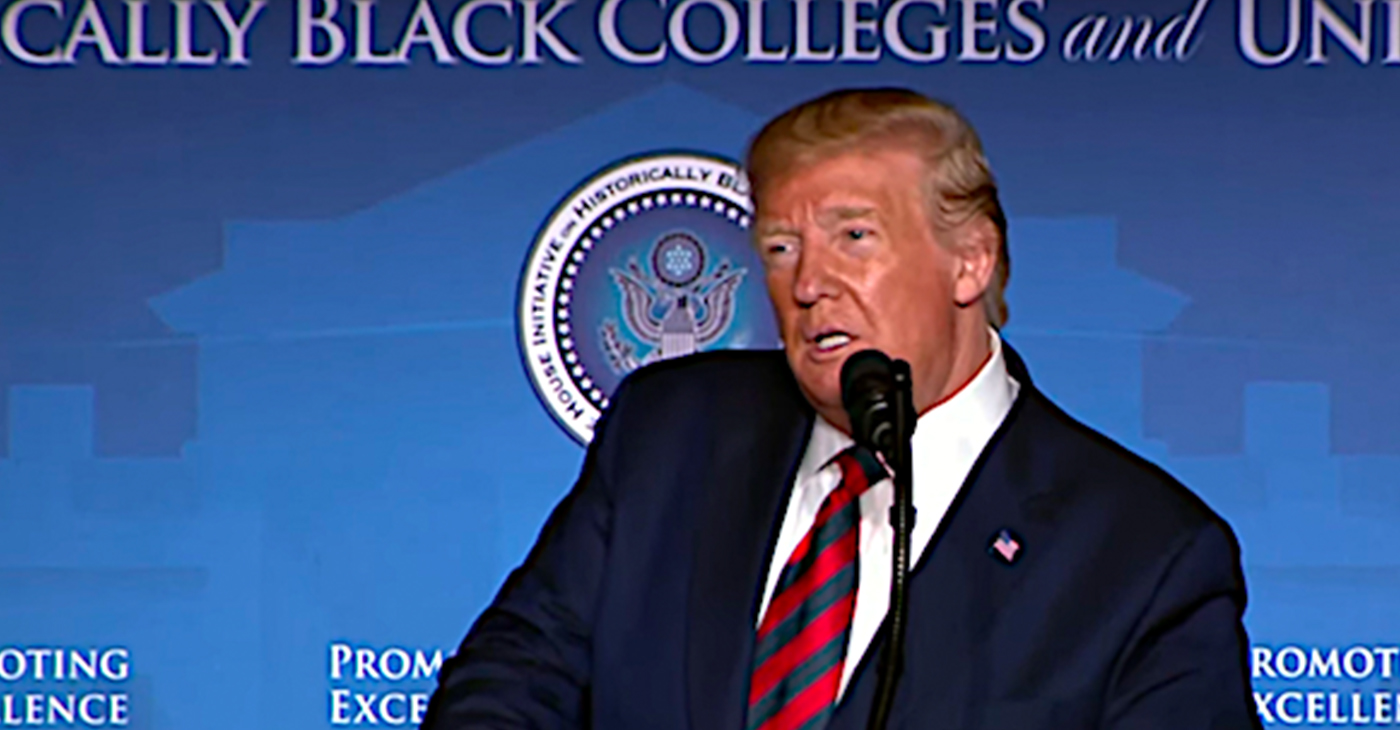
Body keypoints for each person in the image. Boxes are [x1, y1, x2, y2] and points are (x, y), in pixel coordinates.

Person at [420, 88, 1261, 730]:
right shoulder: (671, 432)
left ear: (970, 260)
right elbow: (510, 680)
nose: (809, 283)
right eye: (782, 248)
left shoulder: (1146, 554)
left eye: (853, 237)